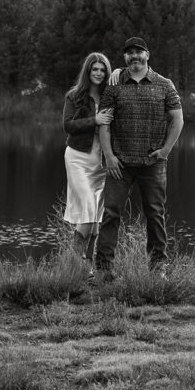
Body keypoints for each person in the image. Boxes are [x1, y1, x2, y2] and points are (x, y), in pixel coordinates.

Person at [95, 36, 184, 277]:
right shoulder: (114, 85)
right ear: (125, 58)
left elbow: (177, 119)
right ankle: (103, 270)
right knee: (111, 213)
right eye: (129, 53)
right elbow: (104, 123)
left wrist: (165, 151)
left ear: (147, 55)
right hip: (119, 164)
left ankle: (158, 269)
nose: (134, 56)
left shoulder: (165, 85)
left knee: (155, 214)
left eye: (139, 52)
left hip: (152, 163)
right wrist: (109, 156)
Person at [62, 52, 114, 264]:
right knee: (88, 210)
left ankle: (87, 267)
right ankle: (76, 263)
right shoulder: (74, 96)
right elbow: (68, 126)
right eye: (95, 69)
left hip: (100, 162)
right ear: (88, 71)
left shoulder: (110, 96)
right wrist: (95, 120)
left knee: (95, 218)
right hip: (78, 159)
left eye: (102, 70)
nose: (99, 73)